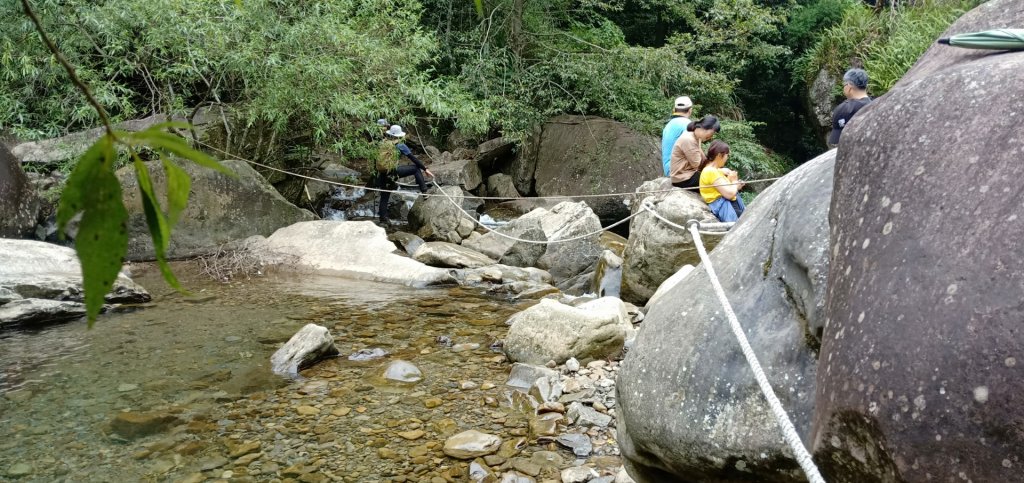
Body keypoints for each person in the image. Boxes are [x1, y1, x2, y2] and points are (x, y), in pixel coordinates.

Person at [376, 125, 433, 225]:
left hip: (382, 173)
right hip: (392, 171)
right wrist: (425, 169)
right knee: (415, 169)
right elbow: (413, 159)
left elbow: (376, 160)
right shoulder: (400, 145)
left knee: (384, 195)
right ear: (399, 135)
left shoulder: (382, 143)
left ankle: (383, 219)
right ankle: (424, 192)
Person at [699, 140, 745, 222]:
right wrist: (734, 182)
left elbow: (722, 188)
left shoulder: (714, 170)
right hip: (726, 207)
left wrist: (733, 183)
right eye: (727, 155)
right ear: (720, 155)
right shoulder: (710, 171)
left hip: (730, 205)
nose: (727, 158)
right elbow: (729, 194)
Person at [669, 115, 720, 190]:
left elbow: (702, 159)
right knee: (716, 182)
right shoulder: (689, 139)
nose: (711, 136)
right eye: (711, 133)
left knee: (717, 177)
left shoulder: (695, 136)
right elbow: (696, 164)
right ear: (704, 128)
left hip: (689, 174)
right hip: (682, 178)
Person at [828, 68, 872, 147]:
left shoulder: (843, 109)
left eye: (844, 85)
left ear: (848, 87)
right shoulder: (875, 105)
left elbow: (836, 140)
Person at [661, 96, 693, 176]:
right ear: (690, 110)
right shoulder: (688, 124)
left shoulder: (668, 125)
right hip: (679, 170)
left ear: (674, 110)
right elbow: (692, 152)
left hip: (668, 170)